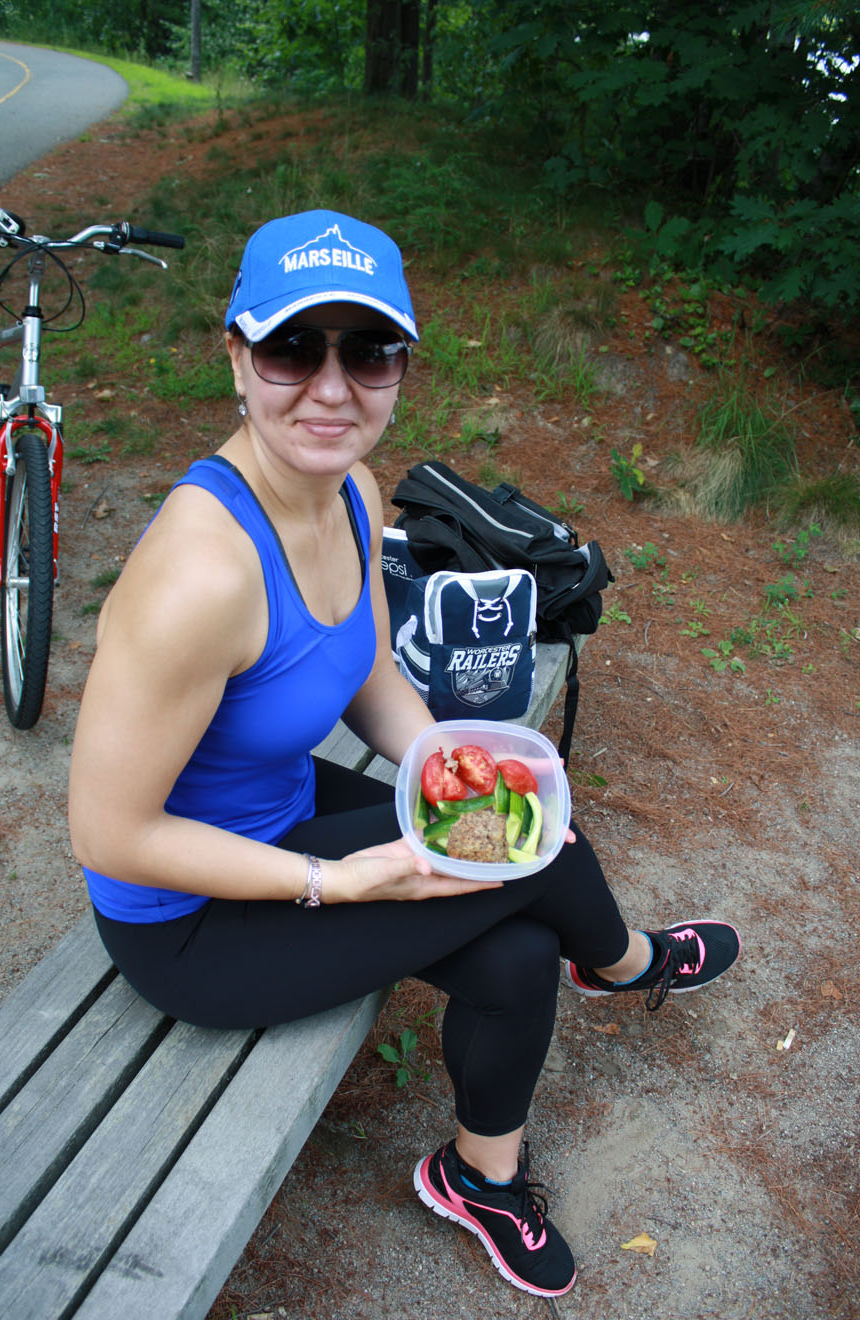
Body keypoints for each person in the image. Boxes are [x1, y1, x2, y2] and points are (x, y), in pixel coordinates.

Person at [68, 209, 740, 1299]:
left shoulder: (350, 492)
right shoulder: (200, 574)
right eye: (294, 347)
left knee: (516, 930)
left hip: (278, 814)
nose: (330, 388)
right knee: (542, 849)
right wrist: (334, 881)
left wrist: (442, 761)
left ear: (399, 368)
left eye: (367, 350)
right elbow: (108, 833)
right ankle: (625, 963)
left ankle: (479, 1175)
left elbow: (371, 673)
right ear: (235, 355)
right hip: (183, 919)